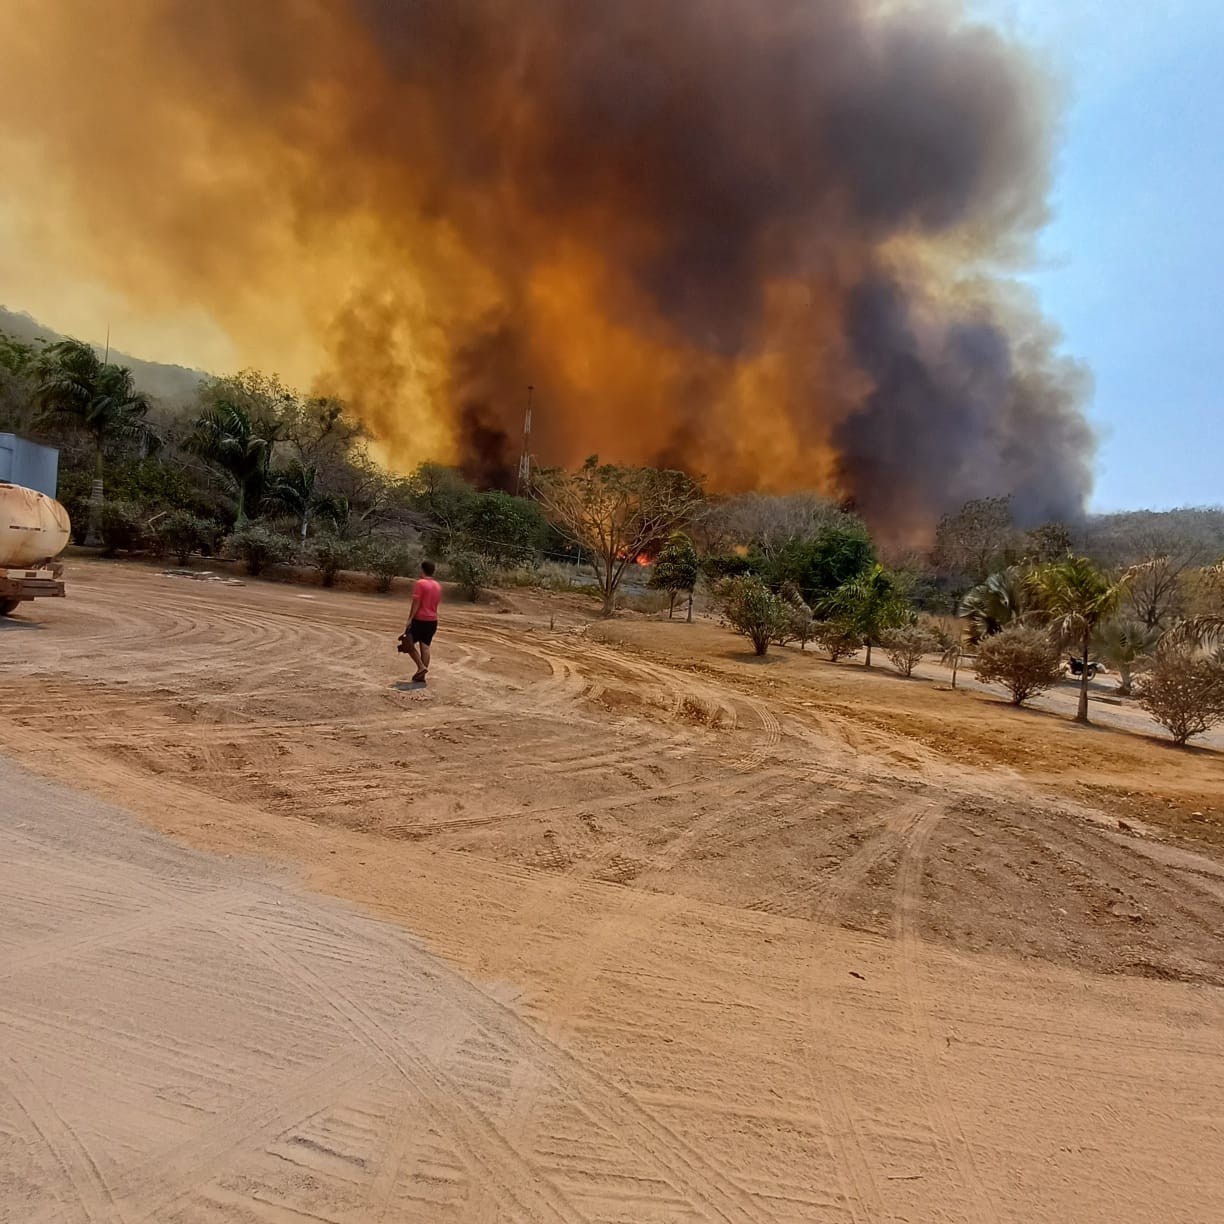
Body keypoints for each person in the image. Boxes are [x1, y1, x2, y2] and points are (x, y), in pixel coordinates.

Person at [399, 560, 442, 684]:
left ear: (422, 570)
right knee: (425, 646)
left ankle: (421, 667)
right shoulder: (437, 586)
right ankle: (421, 675)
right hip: (433, 620)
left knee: (407, 643)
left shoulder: (420, 583)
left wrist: (410, 619)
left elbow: (416, 603)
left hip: (420, 619)